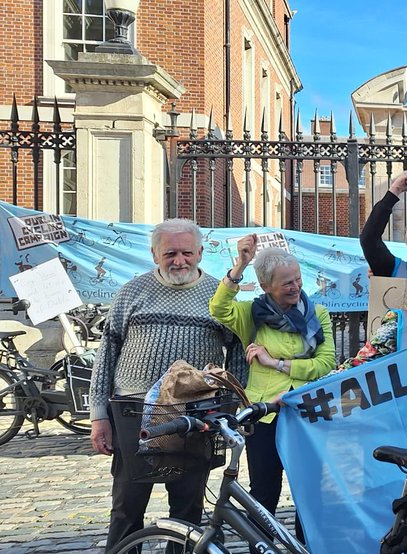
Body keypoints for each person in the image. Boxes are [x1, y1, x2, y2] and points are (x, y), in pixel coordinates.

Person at [89, 218, 248, 552]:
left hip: (194, 413)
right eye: (170, 253)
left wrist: (230, 404)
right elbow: (107, 352)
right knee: (127, 506)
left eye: (187, 252)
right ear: (154, 253)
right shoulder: (132, 291)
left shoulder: (217, 295)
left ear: (201, 252)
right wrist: (99, 415)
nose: (179, 261)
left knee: (188, 508)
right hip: (135, 412)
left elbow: (236, 351)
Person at [210, 237, 336, 542]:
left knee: (309, 492)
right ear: (266, 286)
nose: (295, 287)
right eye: (286, 283)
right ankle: (263, 548)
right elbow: (218, 307)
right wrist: (240, 265)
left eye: (297, 279)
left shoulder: (316, 313)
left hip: (307, 412)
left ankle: (307, 547)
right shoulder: (251, 314)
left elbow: (326, 362)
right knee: (264, 492)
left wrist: (276, 362)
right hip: (263, 416)